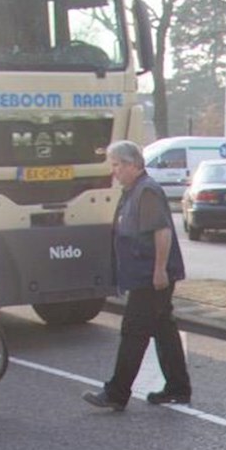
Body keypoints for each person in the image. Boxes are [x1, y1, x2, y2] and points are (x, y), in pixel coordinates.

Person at [84, 139, 191, 410]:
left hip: (150, 277)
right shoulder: (133, 190)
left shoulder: (147, 191)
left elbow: (162, 231)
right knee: (163, 329)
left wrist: (159, 270)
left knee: (133, 332)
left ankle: (116, 393)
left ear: (133, 164)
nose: (114, 171)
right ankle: (178, 388)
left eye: (117, 165)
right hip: (143, 275)